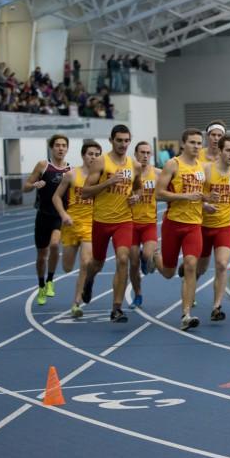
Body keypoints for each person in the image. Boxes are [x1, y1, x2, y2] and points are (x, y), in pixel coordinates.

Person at [80, 125, 142, 323]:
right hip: (101, 221)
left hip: (124, 220)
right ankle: (89, 280)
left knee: (123, 259)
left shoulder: (134, 164)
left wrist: (136, 197)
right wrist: (108, 182)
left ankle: (116, 308)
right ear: (111, 140)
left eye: (126, 141)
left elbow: (138, 187)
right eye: (119, 140)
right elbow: (85, 192)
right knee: (96, 263)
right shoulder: (101, 162)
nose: (123, 144)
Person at [155, 129, 207, 330]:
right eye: (192, 142)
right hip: (173, 224)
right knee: (168, 272)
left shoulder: (202, 167)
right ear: (183, 144)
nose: (196, 146)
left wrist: (206, 200)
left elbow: (198, 194)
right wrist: (184, 197)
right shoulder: (173, 164)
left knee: (190, 265)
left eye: (198, 143)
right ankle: (153, 257)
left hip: (194, 225)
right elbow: (159, 194)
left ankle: (186, 314)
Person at [196, 135, 230, 321]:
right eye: (228, 150)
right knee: (199, 267)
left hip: (224, 226)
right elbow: (194, 193)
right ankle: (190, 285)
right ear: (220, 151)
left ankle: (217, 307)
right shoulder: (206, 169)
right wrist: (204, 204)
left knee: (222, 265)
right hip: (202, 226)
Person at [53, 140, 102, 318]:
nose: (93, 157)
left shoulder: (103, 176)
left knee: (86, 263)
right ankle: (80, 289)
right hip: (71, 223)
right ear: (83, 155)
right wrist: (63, 214)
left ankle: (76, 302)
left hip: (91, 224)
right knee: (67, 267)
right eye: (90, 154)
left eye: (97, 155)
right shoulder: (72, 175)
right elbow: (56, 197)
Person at [22, 134, 71, 305]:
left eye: (64, 145)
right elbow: (25, 187)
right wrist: (34, 185)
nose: (60, 148)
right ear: (52, 147)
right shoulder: (43, 166)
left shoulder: (70, 170)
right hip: (43, 216)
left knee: (55, 244)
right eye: (57, 145)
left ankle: (51, 280)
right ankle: (41, 284)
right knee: (42, 255)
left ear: (67, 148)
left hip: (60, 216)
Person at [128, 141, 160, 309]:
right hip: (130, 224)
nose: (145, 155)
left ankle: (146, 258)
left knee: (147, 256)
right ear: (136, 154)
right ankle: (138, 294)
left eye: (148, 153)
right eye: (142, 152)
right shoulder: (129, 173)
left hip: (149, 223)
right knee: (133, 264)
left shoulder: (157, 174)